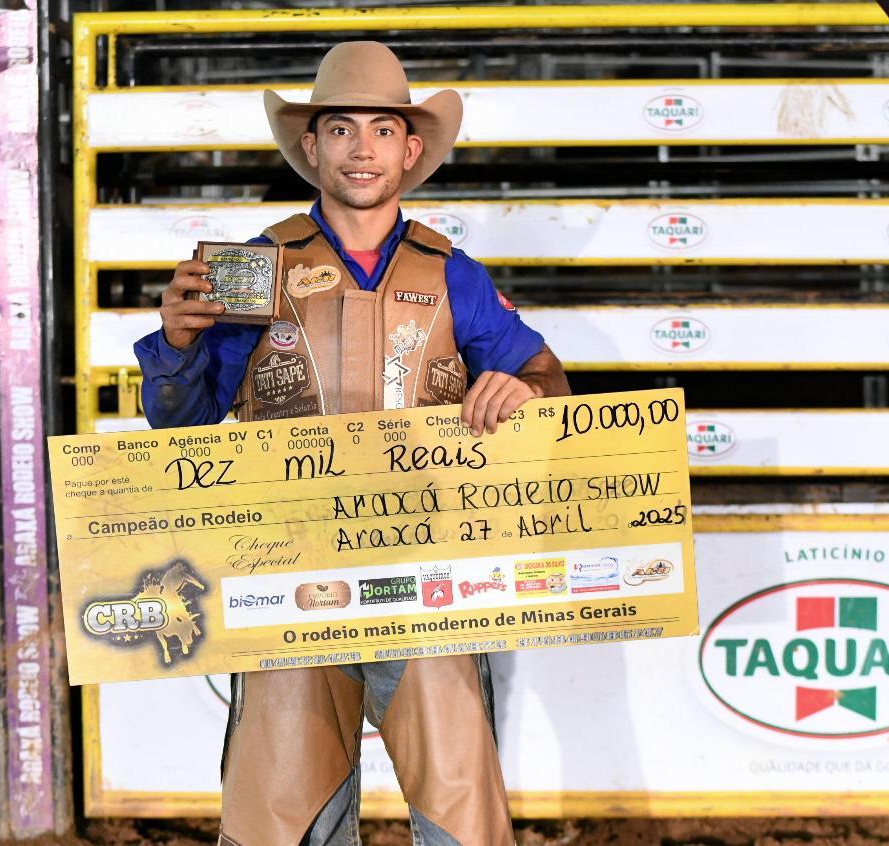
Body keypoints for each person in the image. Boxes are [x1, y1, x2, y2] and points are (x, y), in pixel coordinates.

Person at [134, 42, 571, 846]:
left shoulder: (454, 274)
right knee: (280, 812)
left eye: (381, 130)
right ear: (311, 147)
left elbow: (543, 377)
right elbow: (180, 425)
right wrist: (177, 343)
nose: (360, 148)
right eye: (340, 129)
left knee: (461, 806)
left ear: (409, 149)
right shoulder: (254, 266)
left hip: (429, 571)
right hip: (288, 570)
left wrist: (527, 391)